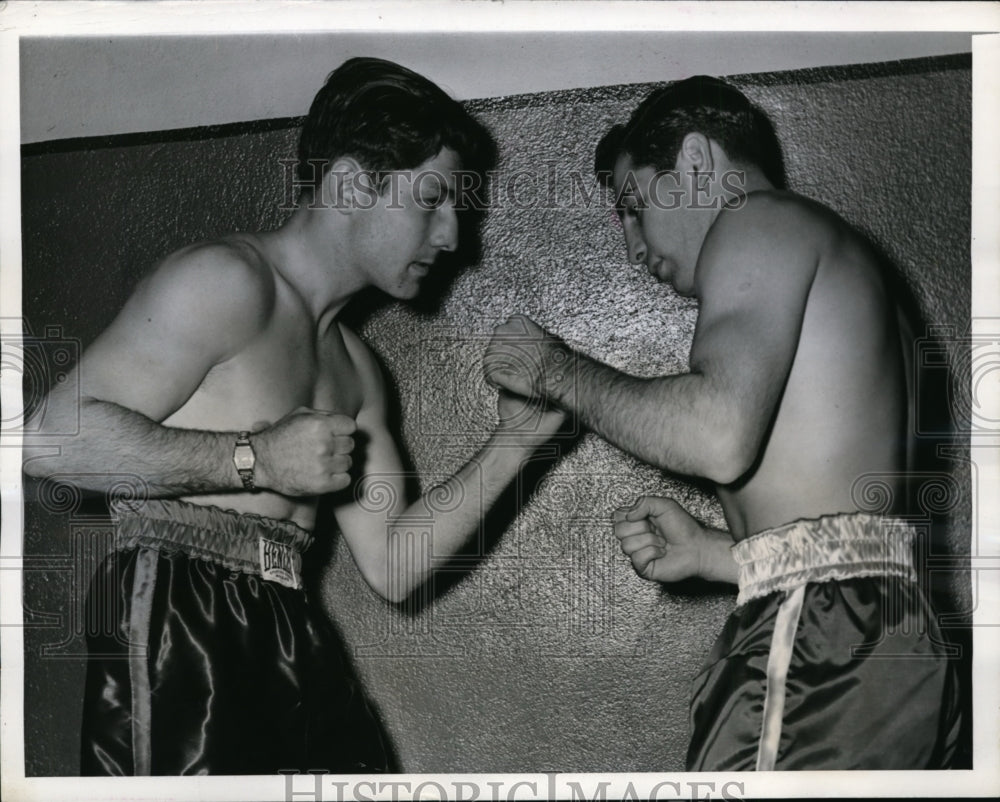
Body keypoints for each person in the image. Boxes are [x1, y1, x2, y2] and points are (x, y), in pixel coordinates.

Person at [22, 57, 564, 776]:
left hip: (288, 620)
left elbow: (395, 565)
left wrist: (518, 440)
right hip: (180, 607)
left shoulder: (358, 370)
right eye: (432, 200)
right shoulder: (225, 281)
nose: (451, 237)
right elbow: (45, 442)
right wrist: (256, 461)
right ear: (348, 184)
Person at [483, 75, 961, 770]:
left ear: (699, 163)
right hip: (887, 635)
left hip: (825, 642)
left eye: (633, 205)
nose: (632, 247)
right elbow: (849, 535)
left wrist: (553, 369)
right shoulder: (838, 256)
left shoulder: (754, 219)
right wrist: (719, 553)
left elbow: (718, 436)